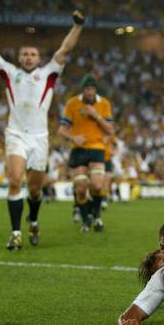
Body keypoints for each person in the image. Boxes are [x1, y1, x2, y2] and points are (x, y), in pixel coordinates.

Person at [0, 10, 84, 249]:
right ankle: (16, 232)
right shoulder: (11, 73)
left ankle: (33, 219)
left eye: (32, 54)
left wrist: (78, 26)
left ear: (38, 58)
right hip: (16, 134)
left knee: (34, 189)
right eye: (25, 54)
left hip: (40, 137)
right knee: (14, 181)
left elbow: (65, 49)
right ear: (19, 58)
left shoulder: (49, 72)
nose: (29, 57)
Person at [59, 75, 114, 232]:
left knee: (97, 186)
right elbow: (62, 129)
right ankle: (86, 220)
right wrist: (73, 137)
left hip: (97, 148)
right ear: (82, 90)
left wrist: (96, 116)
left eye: (92, 89)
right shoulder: (72, 103)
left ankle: (96, 216)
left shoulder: (104, 104)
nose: (89, 92)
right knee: (81, 189)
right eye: (87, 89)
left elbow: (110, 129)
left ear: (95, 90)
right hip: (79, 150)